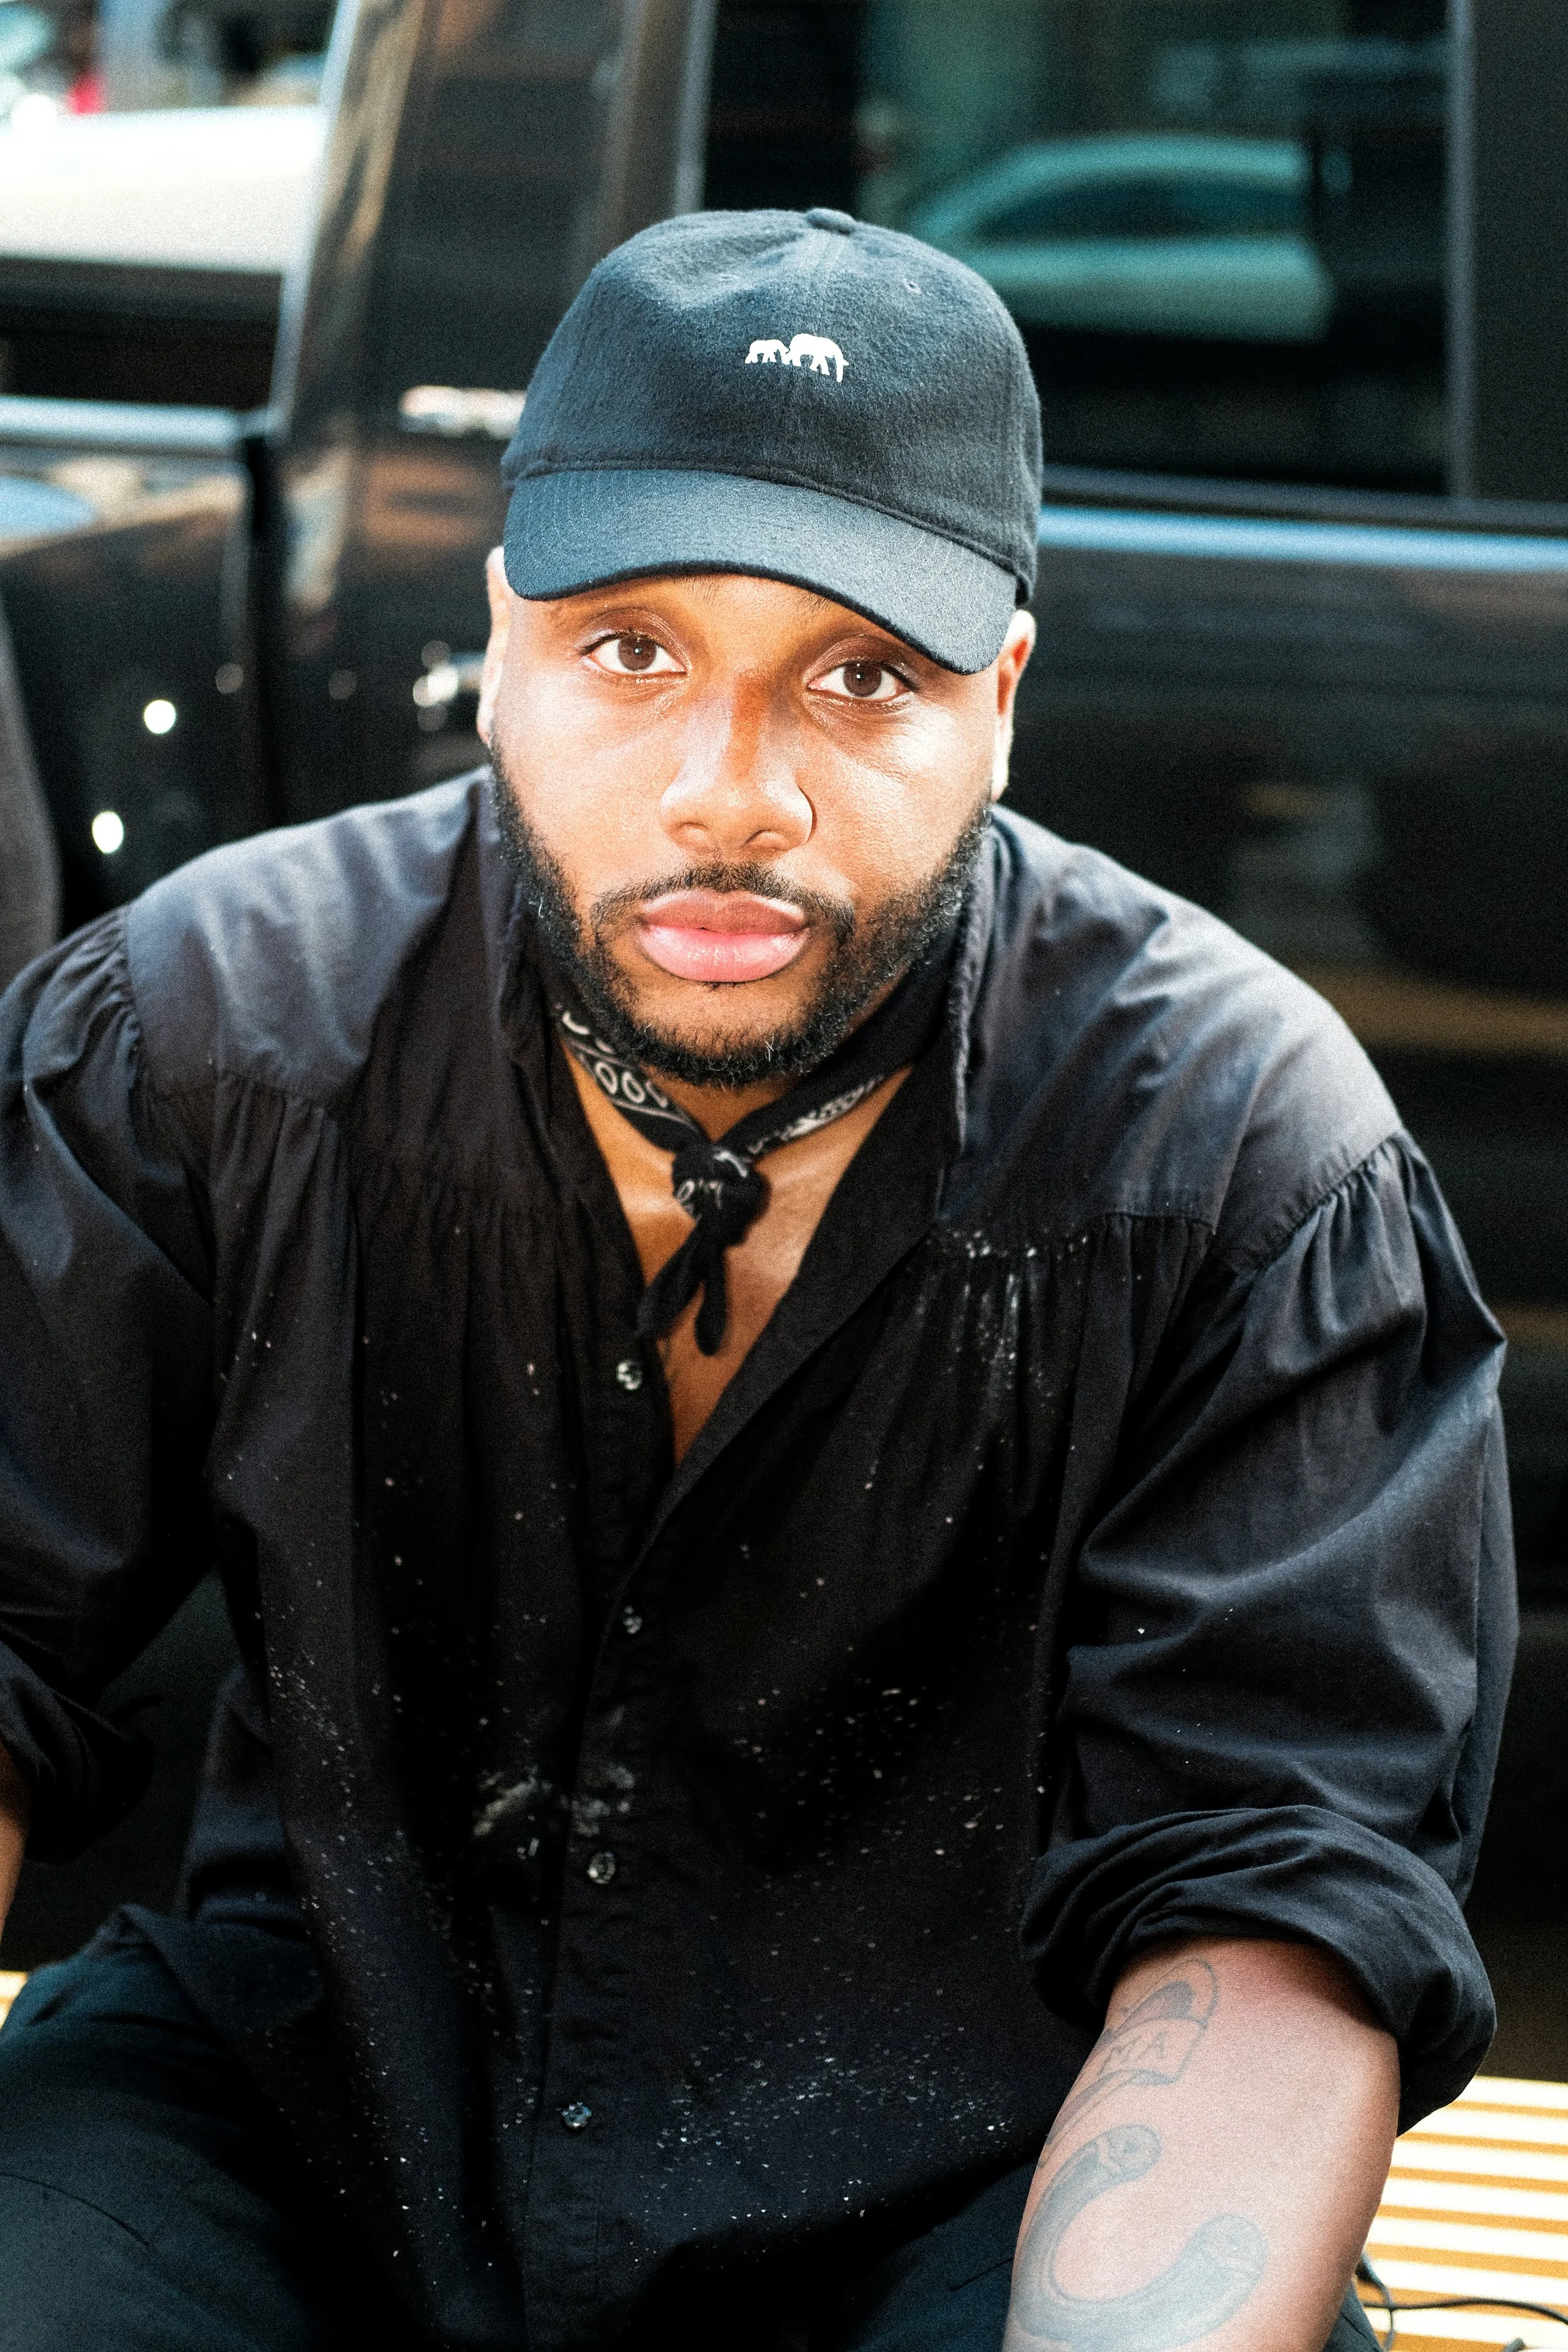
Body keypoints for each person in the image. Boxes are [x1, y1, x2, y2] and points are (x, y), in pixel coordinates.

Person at [0, 207, 1513, 2352]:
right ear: (498, 634)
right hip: (298, 2097)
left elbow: (1266, 1907)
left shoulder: (1241, 1158)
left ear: (998, 696)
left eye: (860, 675)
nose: (733, 792)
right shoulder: (204, 1032)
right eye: (632, 649)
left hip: (958, 2171)